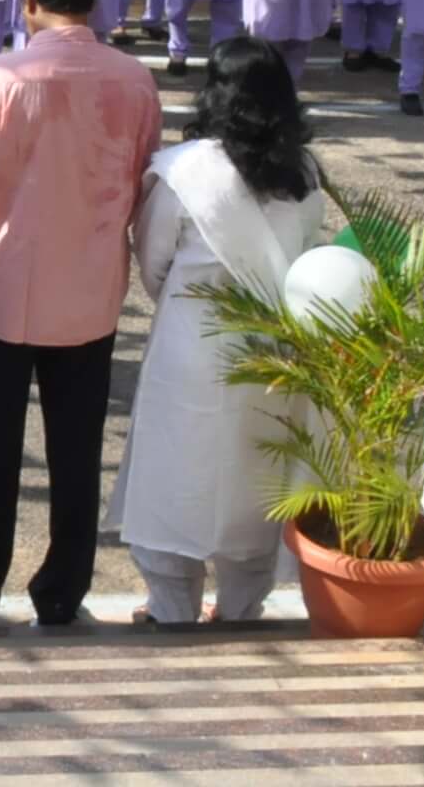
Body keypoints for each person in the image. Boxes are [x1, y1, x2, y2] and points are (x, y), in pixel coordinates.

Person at [0, 0, 161, 632]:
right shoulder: (134, 81)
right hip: (89, 293)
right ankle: (60, 592)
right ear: (95, 2)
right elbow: (140, 186)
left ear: (28, 0)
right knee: (76, 451)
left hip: (1, 290)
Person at [113, 39, 329, 626]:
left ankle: (171, 607)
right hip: (275, 349)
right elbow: (313, 256)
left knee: (176, 473)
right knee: (254, 479)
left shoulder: (185, 171)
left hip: (194, 344)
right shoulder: (304, 173)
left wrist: (188, 305)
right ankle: (240, 608)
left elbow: (153, 261)